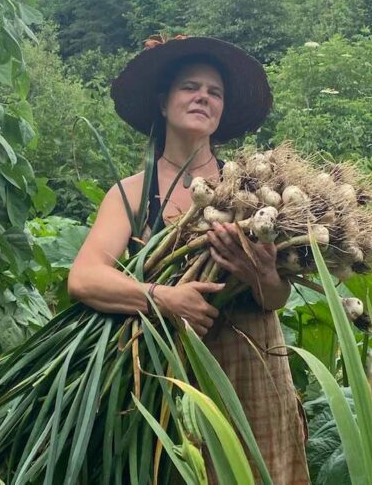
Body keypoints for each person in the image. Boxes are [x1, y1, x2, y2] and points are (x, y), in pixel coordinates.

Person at [68, 35, 309, 484]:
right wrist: (164, 299)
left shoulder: (255, 190)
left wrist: (263, 274)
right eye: (190, 87)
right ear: (163, 103)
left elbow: (275, 298)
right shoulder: (133, 193)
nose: (203, 96)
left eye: (214, 92)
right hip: (176, 373)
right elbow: (84, 278)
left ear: (221, 112)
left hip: (255, 367)